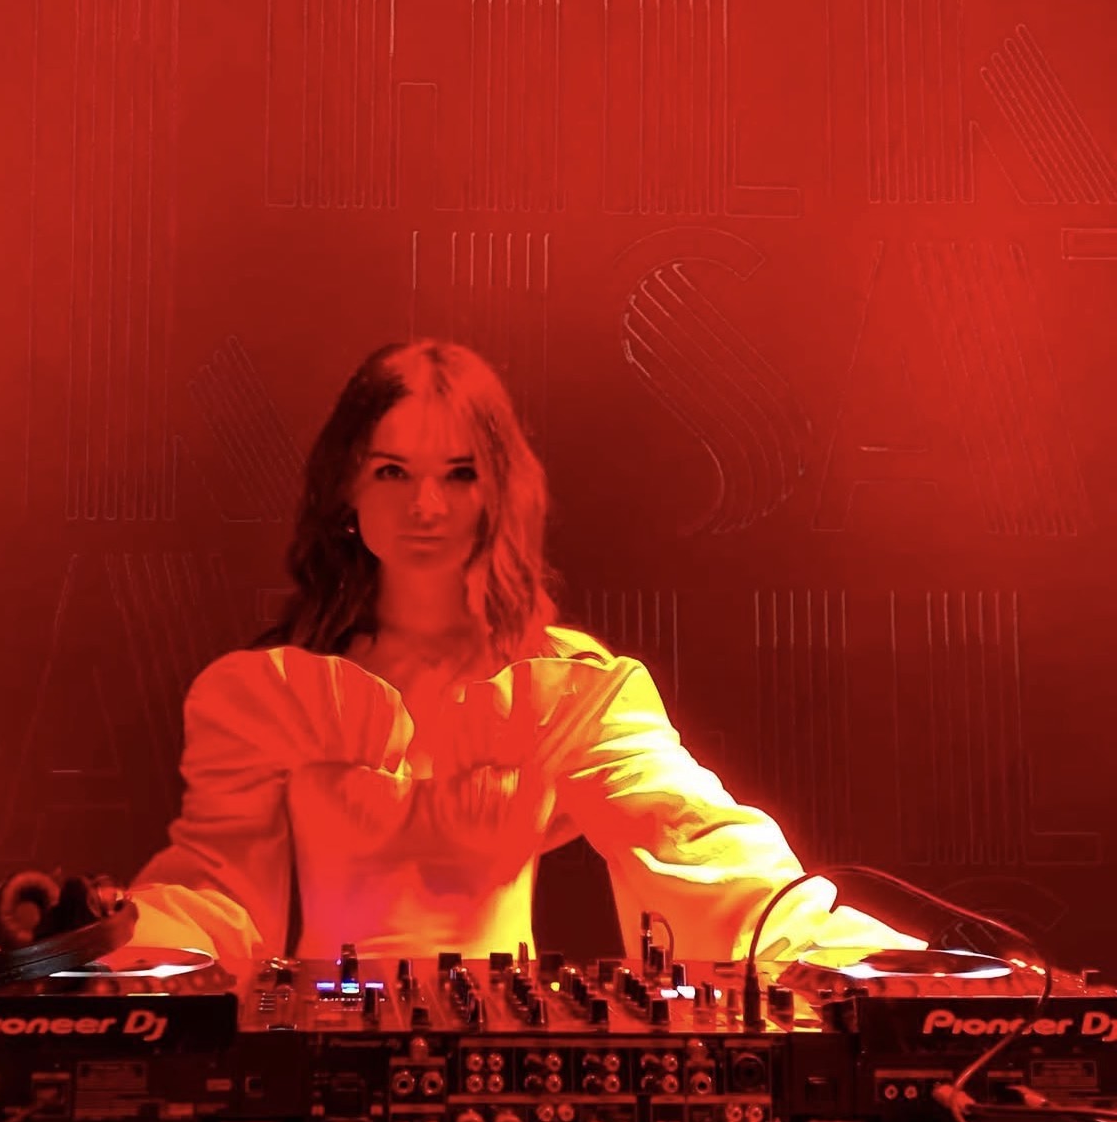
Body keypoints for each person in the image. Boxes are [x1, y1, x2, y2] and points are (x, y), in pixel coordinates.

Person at [127, 340, 924, 971]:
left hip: (505, 1068)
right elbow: (212, 891)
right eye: (393, 472)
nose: (427, 505)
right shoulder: (269, 692)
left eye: (460, 474)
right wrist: (101, 957)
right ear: (346, 491)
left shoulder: (566, 688)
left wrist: (898, 974)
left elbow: (706, 859)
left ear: (497, 491)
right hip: (325, 1062)